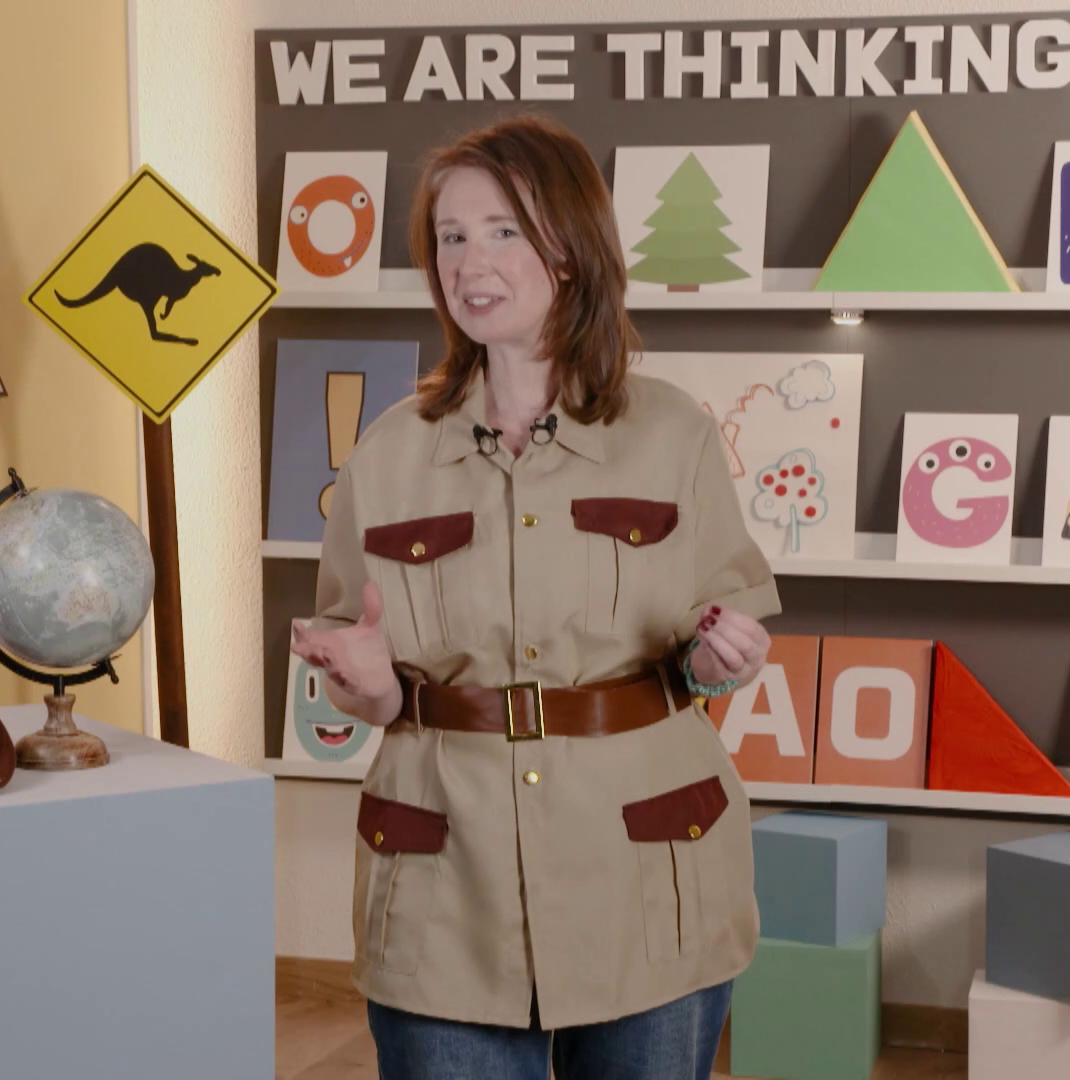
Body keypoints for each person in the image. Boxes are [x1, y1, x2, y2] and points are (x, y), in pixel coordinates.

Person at [288, 112, 780, 1080]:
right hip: (445, 894)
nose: (469, 262)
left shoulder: (673, 434)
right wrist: (366, 684)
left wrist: (722, 659)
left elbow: (715, 637)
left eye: (503, 230)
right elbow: (365, 676)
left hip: (645, 879)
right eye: (450, 236)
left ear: (570, 248)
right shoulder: (387, 453)